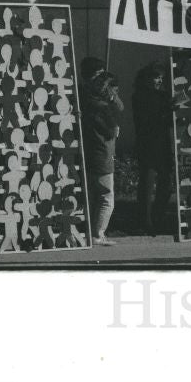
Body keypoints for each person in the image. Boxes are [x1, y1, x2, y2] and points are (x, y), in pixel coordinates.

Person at [79, 57, 123, 246]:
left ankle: (90, 231)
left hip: (89, 151)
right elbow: (112, 126)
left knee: (91, 195)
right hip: (101, 153)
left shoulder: (82, 96)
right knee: (106, 196)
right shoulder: (99, 105)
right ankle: (98, 233)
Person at [132, 61, 175, 237]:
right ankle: (146, 220)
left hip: (164, 145)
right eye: (155, 77)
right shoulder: (139, 97)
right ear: (146, 79)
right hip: (148, 145)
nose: (158, 81)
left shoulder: (164, 96)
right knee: (147, 185)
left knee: (167, 183)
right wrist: (166, 113)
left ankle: (159, 216)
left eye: (160, 78)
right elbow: (145, 121)